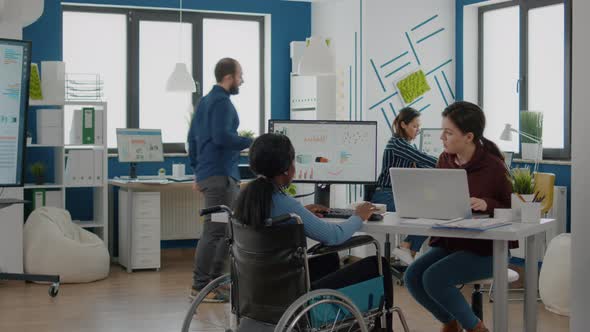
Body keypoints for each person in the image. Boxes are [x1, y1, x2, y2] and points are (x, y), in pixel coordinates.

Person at [234, 133, 392, 299]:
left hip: (259, 289)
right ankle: (379, 325)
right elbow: (334, 236)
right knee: (379, 264)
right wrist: (358, 216)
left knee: (328, 259)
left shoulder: (244, 199)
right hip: (290, 291)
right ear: (287, 169)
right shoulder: (285, 204)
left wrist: (301, 212)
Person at [403, 101, 513, 332]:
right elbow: (438, 200)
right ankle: (450, 323)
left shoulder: (494, 167)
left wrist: (487, 203)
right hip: (451, 243)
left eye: (448, 132)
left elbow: (513, 207)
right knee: (412, 276)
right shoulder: (444, 160)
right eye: (442, 130)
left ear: (469, 136)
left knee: (434, 278)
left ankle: (475, 328)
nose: (442, 137)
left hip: (486, 251)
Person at [187, 58, 253, 302]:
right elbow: (223, 137)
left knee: (221, 230)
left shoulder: (204, 102)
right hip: (221, 177)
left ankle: (214, 284)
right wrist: (252, 142)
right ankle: (201, 286)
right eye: (240, 75)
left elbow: (191, 139)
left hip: (210, 174)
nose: (242, 80)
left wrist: (197, 171)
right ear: (229, 77)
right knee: (217, 232)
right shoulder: (223, 103)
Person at [371, 107, 437, 264]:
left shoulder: (405, 145)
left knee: (433, 210)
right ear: (403, 125)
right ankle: (406, 247)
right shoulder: (397, 144)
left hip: (396, 195)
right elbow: (422, 158)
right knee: (430, 213)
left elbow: (422, 166)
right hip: (385, 196)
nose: (417, 130)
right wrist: (449, 163)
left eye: (418, 127)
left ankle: (407, 248)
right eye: (415, 126)